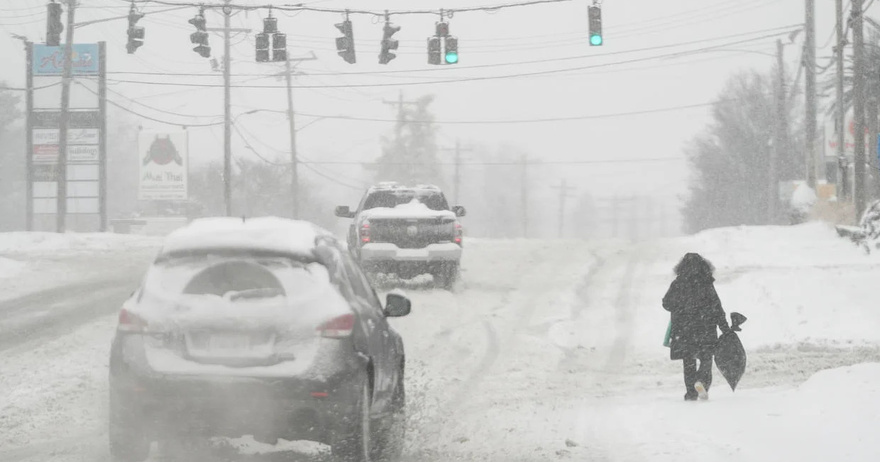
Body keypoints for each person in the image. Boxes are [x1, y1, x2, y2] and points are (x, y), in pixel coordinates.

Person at [662, 253, 731, 401]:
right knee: (706, 359)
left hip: (684, 329)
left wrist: (680, 307)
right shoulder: (706, 283)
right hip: (706, 328)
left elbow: (666, 303)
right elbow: (716, 307)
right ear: (703, 266)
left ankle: (691, 392)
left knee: (688, 361)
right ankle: (702, 382)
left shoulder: (678, 283)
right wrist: (724, 327)